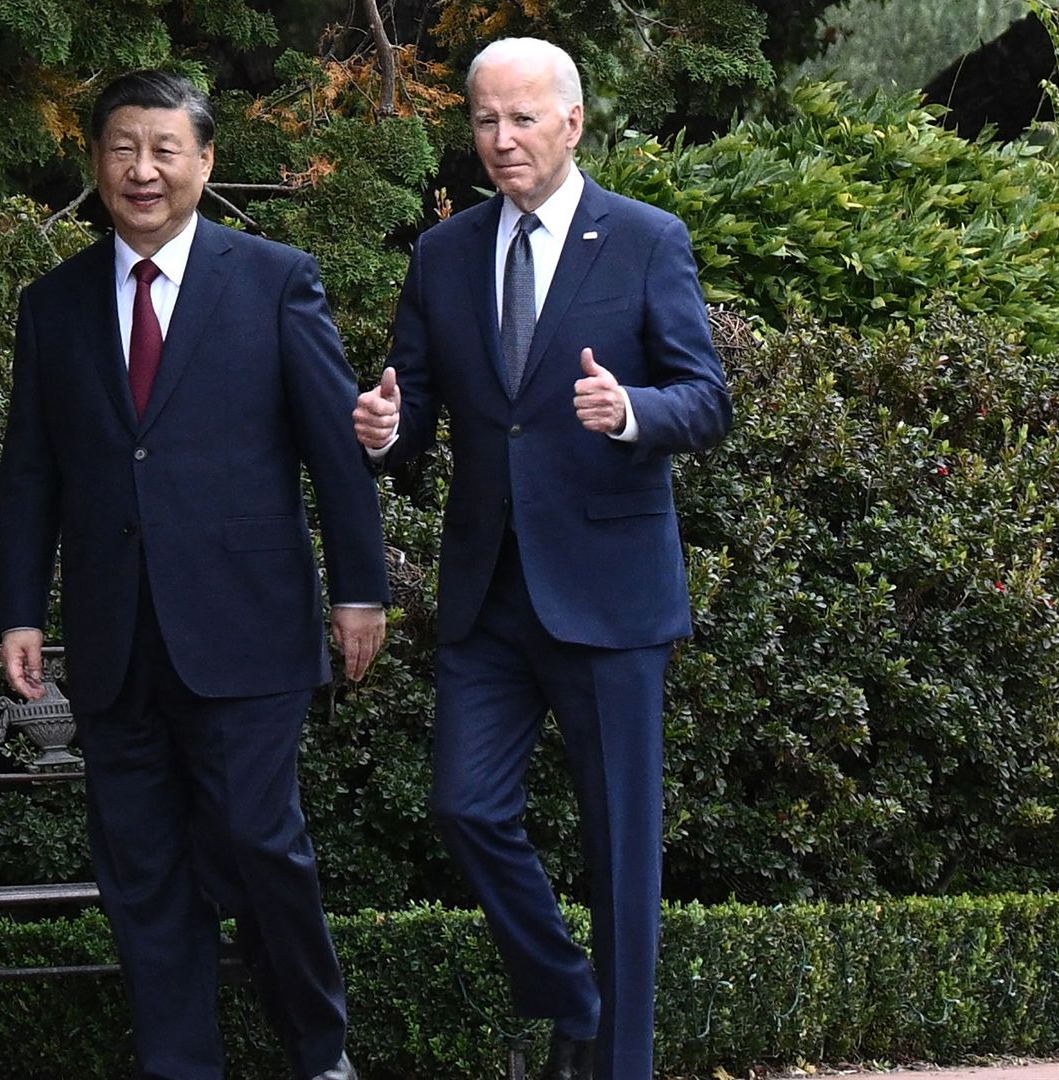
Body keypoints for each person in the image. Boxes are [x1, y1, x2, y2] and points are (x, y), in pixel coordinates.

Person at [352, 37, 732, 1080]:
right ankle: (570, 995)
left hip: (609, 591)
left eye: (522, 118)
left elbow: (706, 399)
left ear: (572, 123)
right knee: (464, 807)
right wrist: (383, 431)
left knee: (620, 850)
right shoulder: (443, 253)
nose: (502, 138)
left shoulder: (646, 240)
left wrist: (632, 411)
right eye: (485, 119)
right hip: (488, 595)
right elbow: (412, 411)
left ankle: (620, 1065)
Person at [0, 69, 387, 1080]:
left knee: (260, 844)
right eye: (123, 148)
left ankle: (321, 1055)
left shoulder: (276, 280)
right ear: (96, 161)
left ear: (205, 163)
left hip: (249, 627)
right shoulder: (53, 304)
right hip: (115, 636)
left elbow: (332, 448)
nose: (143, 170)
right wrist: (20, 610)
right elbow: (31, 470)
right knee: (143, 872)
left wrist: (360, 589)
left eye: (165, 149)